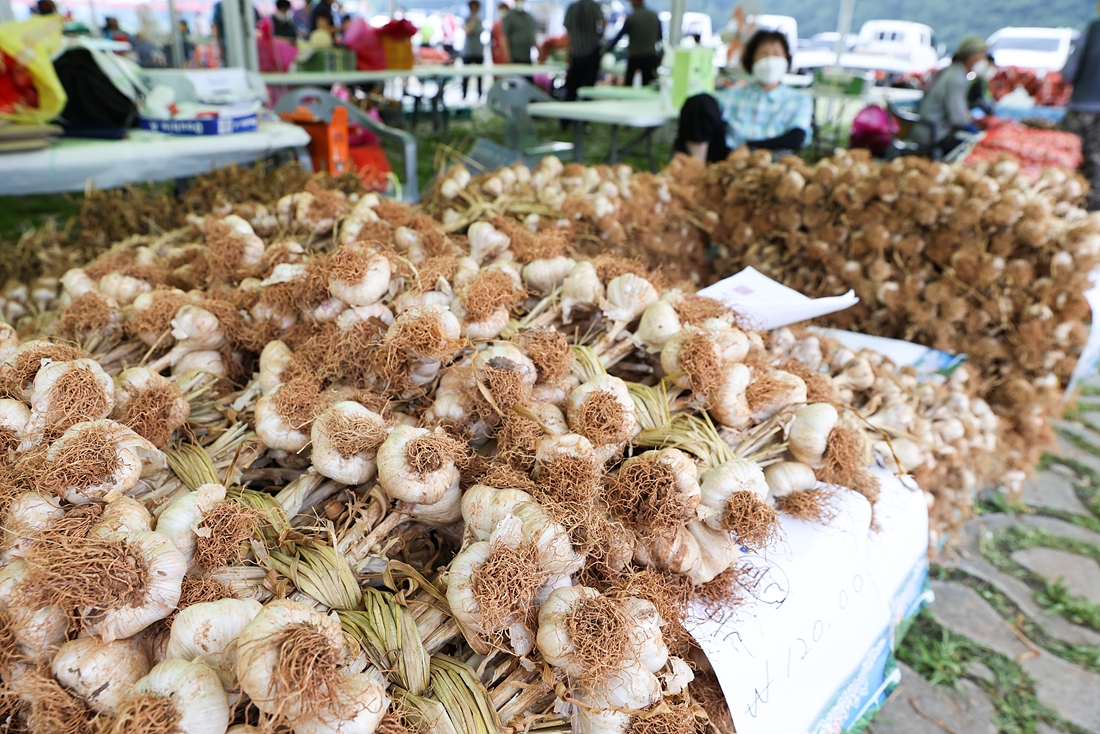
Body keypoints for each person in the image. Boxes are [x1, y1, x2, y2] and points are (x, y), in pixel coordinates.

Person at [675, 29, 812, 163]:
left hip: (773, 163)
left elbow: (796, 138)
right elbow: (699, 112)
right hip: (728, 159)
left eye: (776, 53)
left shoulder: (798, 100)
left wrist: (750, 147)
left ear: (786, 58)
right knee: (699, 102)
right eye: (763, 53)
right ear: (752, 60)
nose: (770, 59)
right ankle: (696, 168)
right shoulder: (734, 94)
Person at [917, 37, 990, 158]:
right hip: (934, 133)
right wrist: (978, 134)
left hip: (932, 129)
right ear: (972, 57)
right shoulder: (956, 78)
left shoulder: (956, 73)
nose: (984, 60)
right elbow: (959, 119)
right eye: (982, 55)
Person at [1061, 3, 1100, 210]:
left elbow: (1068, 71)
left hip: (1082, 106)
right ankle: (1093, 208)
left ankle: (1070, 202)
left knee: (1069, 153)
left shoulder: (1093, 29)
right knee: (1097, 161)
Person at [603, 0, 660, 86]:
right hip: (650, 55)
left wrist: (606, 50)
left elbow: (619, 36)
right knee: (650, 85)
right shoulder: (654, 16)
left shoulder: (632, 18)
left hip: (635, 55)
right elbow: (660, 37)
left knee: (629, 83)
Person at [562, 0, 603, 100]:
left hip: (577, 54)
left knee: (572, 89)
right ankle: (585, 112)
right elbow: (603, 22)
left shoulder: (572, 8)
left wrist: (568, 53)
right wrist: (600, 35)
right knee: (588, 89)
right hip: (592, 53)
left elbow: (569, 35)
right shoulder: (594, 6)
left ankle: (567, 114)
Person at [461, 0, 485, 99]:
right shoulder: (466, 20)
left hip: (478, 51)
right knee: (465, 76)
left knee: (479, 76)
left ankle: (480, 95)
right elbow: (467, 31)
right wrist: (473, 20)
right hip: (468, 52)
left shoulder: (481, 20)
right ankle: (464, 96)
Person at [501, 0, 537, 65]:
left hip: (527, 57)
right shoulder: (509, 17)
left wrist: (540, 51)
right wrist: (508, 57)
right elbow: (504, 37)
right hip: (514, 58)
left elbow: (533, 35)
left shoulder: (529, 17)